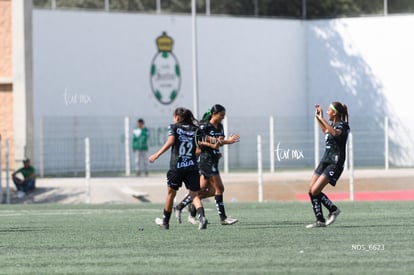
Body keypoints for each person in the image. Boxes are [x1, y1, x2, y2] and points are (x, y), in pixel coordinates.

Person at [174, 104, 240, 226]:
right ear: (214, 114)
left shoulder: (220, 127)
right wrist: (227, 142)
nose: (223, 118)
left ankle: (180, 206)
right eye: (221, 115)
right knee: (219, 189)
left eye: (224, 116)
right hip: (205, 160)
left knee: (202, 191)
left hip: (213, 160)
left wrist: (217, 150)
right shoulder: (204, 126)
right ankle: (223, 218)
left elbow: (218, 143)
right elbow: (200, 141)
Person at [148, 107, 208, 230]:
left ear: (178, 117)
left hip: (177, 166)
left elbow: (170, 142)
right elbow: (200, 148)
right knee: (194, 194)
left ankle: (165, 222)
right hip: (192, 166)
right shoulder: (196, 129)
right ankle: (202, 217)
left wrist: (156, 154)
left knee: (171, 193)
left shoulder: (174, 127)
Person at [306, 101, 350, 228]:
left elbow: (335, 133)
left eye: (328, 111)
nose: (327, 112)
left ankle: (333, 209)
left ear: (335, 113)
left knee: (315, 190)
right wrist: (319, 118)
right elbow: (326, 130)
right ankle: (320, 220)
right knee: (311, 190)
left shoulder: (343, 126)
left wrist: (322, 119)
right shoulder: (332, 125)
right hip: (325, 160)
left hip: (335, 163)